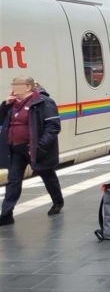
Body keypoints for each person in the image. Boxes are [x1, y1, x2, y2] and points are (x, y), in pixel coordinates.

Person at [0, 76, 63, 226]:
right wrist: (4, 105)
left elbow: (53, 127)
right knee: (13, 181)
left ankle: (57, 202)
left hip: (35, 149)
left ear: (28, 87)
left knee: (48, 176)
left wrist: (39, 147)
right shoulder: (12, 104)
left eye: (17, 85)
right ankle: (6, 214)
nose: (14, 87)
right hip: (15, 149)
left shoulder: (44, 102)